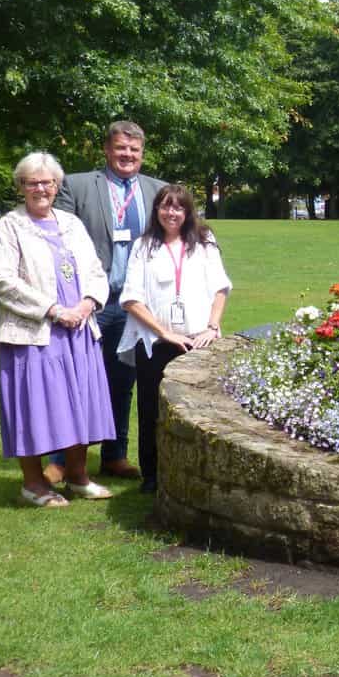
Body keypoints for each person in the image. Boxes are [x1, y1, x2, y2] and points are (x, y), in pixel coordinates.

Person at [0, 153, 116, 507]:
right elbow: (2, 280)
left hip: (79, 329)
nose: (40, 188)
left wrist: (88, 303)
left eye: (47, 182)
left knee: (80, 404)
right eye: (32, 182)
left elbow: (95, 269)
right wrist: (54, 310)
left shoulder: (72, 223)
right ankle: (33, 484)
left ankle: (78, 476)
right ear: (21, 187)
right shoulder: (9, 226)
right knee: (34, 408)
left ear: (57, 186)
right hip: (34, 333)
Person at [46, 121, 166, 484]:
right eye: (120, 148)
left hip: (135, 305)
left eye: (134, 150)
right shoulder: (79, 184)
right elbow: (58, 238)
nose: (127, 155)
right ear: (106, 150)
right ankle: (62, 459)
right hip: (87, 301)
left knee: (123, 380)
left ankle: (114, 455)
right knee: (75, 378)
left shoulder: (158, 190)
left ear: (142, 153)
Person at [119, 185, 231, 493]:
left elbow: (220, 288)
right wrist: (164, 332)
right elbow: (131, 298)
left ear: (187, 212)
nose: (172, 213)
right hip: (155, 343)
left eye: (178, 207)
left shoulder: (204, 242)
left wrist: (212, 326)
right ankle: (152, 476)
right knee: (151, 410)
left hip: (198, 341)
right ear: (156, 210)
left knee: (200, 411)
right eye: (166, 207)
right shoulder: (144, 246)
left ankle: (198, 473)